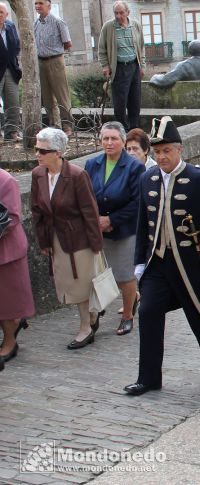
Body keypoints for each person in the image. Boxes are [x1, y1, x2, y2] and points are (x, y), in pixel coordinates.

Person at [124, 116, 200, 395]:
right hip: (158, 262)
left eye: (166, 150)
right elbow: (142, 226)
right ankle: (149, 377)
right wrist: (139, 262)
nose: (161, 156)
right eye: (157, 152)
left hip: (192, 261)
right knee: (147, 312)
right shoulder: (148, 179)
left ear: (180, 149)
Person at [31, 128, 104, 349]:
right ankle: (91, 316)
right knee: (68, 283)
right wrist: (43, 241)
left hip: (79, 239)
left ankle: (85, 327)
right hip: (56, 238)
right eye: (36, 149)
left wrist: (96, 244)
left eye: (43, 151)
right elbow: (37, 211)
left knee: (81, 284)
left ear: (59, 152)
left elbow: (90, 212)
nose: (38, 154)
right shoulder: (38, 175)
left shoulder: (76, 175)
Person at [85, 121, 145, 336]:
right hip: (97, 230)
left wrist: (112, 220)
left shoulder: (134, 167)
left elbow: (138, 202)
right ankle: (95, 313)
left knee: (124, 275)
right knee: (97, 274)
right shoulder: (92, 164)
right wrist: (95, 220)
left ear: (123, 141)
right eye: (105, 138)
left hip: (124, 230)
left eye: (114, 139)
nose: (109, 143)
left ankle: (127, 315)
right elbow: (86, 197)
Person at [0, 168, 35, 366]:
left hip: (6, 251)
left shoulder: (6, 181)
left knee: (6, 302)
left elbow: (11, 217)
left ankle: (10, 342)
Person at [98, 1, 145, 131]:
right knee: (120, 103)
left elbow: (141, 46)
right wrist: (105, 66)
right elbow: (102, 49)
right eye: (116, 13)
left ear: (127, 12)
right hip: (118, 68)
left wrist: (142, 65)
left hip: (134, 66)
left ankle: (134, 128)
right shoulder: (108, 27)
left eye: (121, 13)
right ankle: (123, 129)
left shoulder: (135, 25)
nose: (118, 16)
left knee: (135, 101)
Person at [33, 0, 73, 134]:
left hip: (55, 60)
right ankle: (54, 125)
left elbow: (67, 43)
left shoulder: (58, 22)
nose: (38, 6)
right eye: (36, 3)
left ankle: (67, 126)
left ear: (48, 5)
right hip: (41, 62)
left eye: (40, 3)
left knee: (61, 94)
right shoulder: (36, 24)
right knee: (47, 96)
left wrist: (55, 52)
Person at [0, 2, 22, 141]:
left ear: (7, 15)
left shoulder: (10, 26)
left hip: (10, 69)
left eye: (1, 13)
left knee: (13, 102)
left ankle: (11, 132)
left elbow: (16, 46)